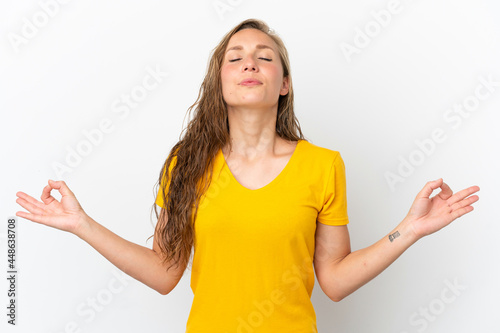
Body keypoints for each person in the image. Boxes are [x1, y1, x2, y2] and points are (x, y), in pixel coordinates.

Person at [15, 18, 479, 333]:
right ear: (220, 80)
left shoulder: (323, 165)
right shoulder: (187, 164)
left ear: (285, 82)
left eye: (265, 56)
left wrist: (410, 229)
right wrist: (82, 225)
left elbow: (334, 281)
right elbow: (164, 272)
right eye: (235, 58)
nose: (250, 63)